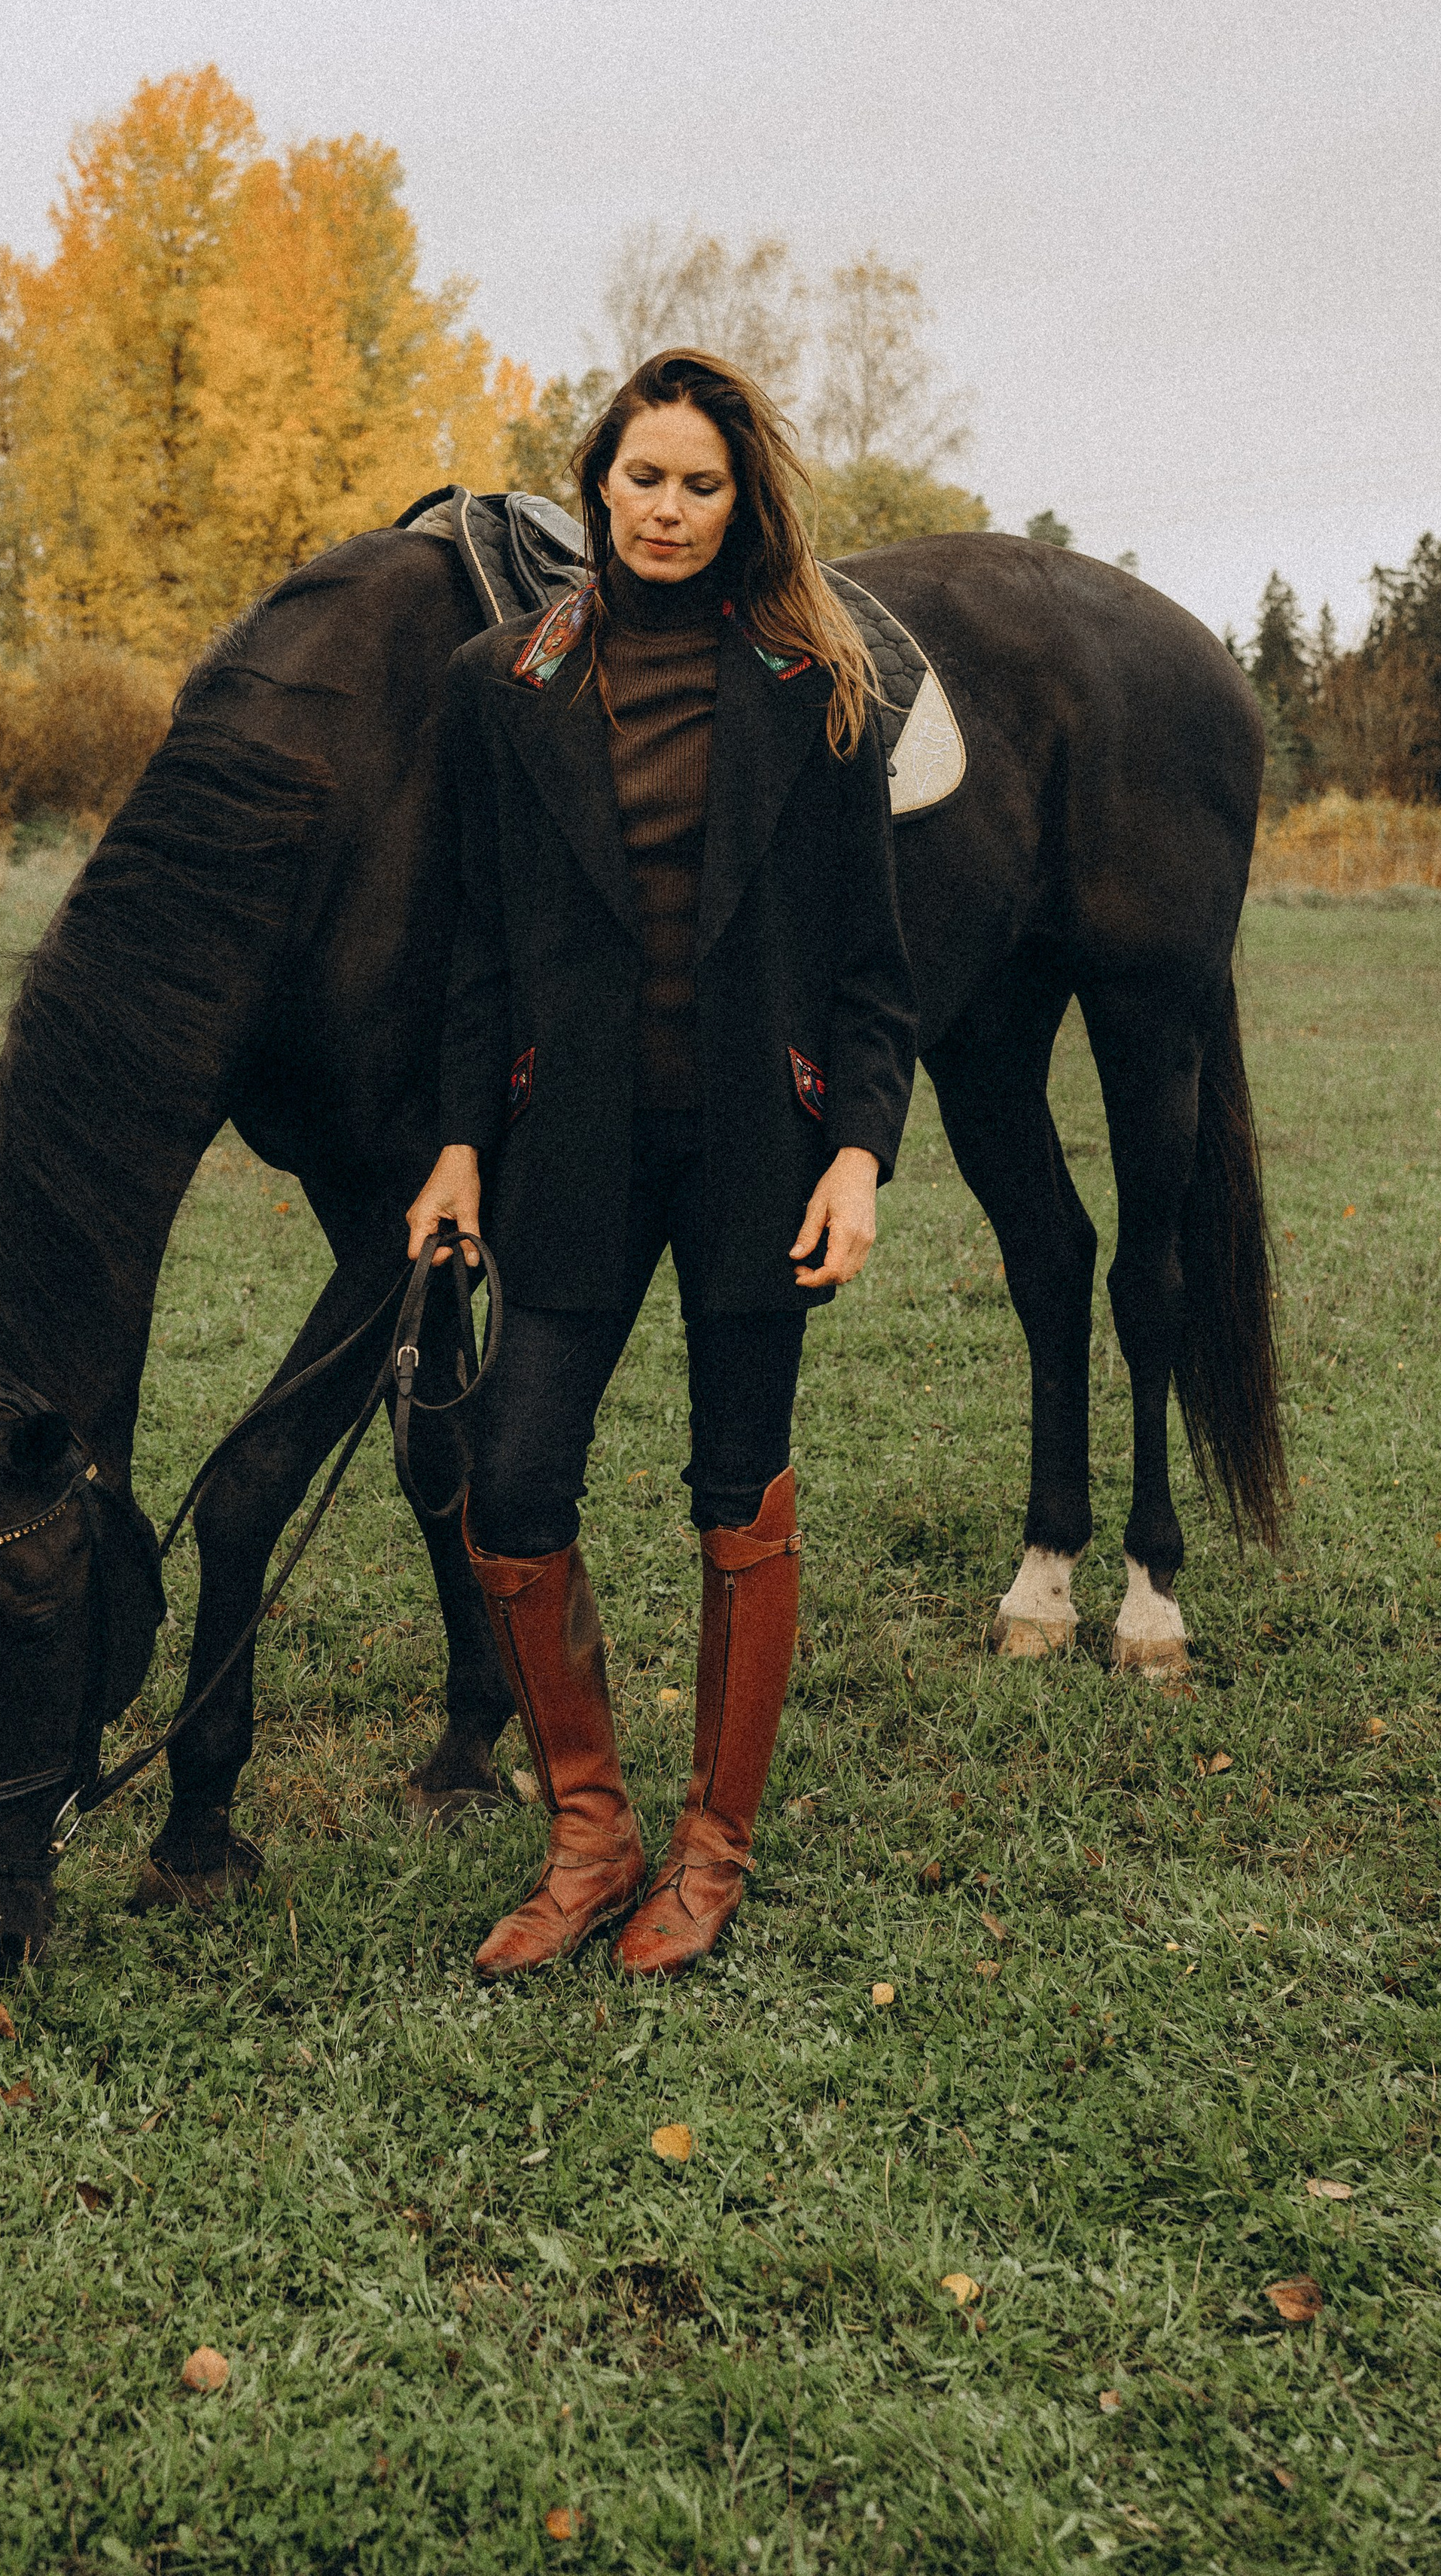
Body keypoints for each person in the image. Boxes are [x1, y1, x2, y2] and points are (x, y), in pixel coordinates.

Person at [407, 349, 920, 1981]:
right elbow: (475, 946)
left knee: (733, 1479)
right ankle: (589, 1832)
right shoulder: (508, 683)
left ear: (739, 497)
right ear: (597, 485)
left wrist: (855, 1156)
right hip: (570, 1143)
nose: (669, 511)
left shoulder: (812, 687)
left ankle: (710, 1848)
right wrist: (456, 1143)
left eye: (701, 484)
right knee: (514, 1469)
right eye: (644, 478)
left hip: (754, 1150)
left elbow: (872, 972)